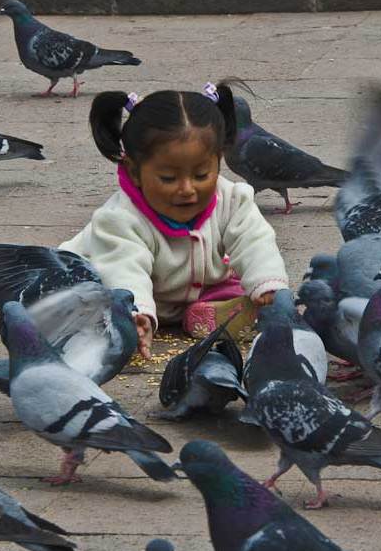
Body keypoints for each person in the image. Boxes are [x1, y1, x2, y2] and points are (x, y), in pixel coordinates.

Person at [59, 82, 289, 358]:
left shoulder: (232, 198)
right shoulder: (120, 219)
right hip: (111, 283)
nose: (187, 189)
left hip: (196, 289)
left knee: (241, 283)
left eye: (202, 175)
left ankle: (209, 315)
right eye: (169, 178)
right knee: (90, 307)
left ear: (218, 162)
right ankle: (134, 322)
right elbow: (124, 269)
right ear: (133, 171)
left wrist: (267, 283)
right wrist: (136, 313)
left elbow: (254, 240)